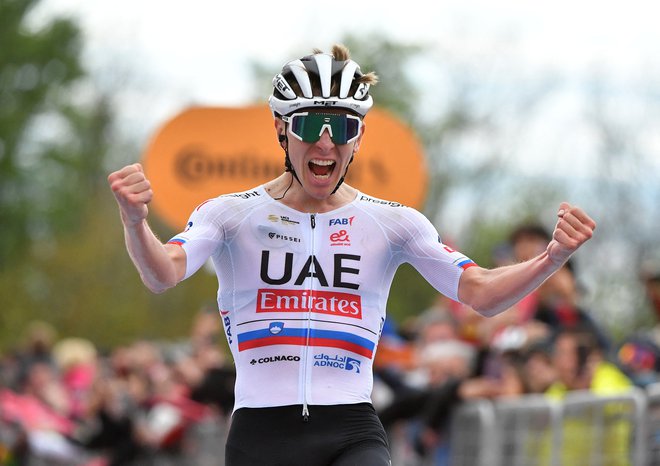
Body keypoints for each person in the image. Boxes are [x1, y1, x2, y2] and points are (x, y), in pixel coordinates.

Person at [107, 44, 597, 466]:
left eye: (342, 128)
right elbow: (162, 273)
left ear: (358, 137)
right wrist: (135, 222)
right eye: (312, 125)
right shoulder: (230, 214)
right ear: (282, 129)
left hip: (351, 428)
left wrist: (551, 258)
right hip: (261, 433)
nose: (326, 142)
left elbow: (482, 294)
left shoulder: (392, 222)